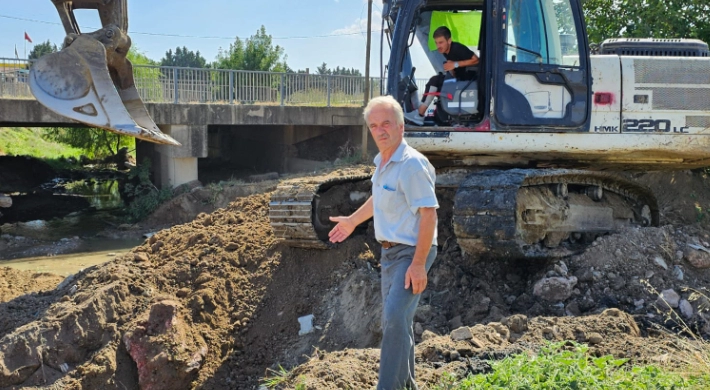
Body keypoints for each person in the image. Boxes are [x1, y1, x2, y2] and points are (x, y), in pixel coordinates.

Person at [328, 95, 439, 389]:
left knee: (392, 320)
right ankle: (408, 386)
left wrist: (418, 265)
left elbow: (429, 215)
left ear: (401, 127)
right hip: (389, 255)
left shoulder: (412, 164)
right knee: (399, 321)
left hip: (412, 252)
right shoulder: (383, 162)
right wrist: (352, 220)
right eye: (374, 125)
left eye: (386, 123)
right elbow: (380, 198)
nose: (380, 130)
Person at [403, 25, 480, 126]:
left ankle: (419, 114)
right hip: (460, 79)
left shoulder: (457, 48)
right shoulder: (446, 51)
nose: (438, 46)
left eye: (441, 42)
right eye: (436, 42)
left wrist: (455, 64)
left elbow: (476, 60)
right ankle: (421, 112)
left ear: (449, 41)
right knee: (436, 80)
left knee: (435, 81)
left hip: (469, 81)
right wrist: (451, 70)